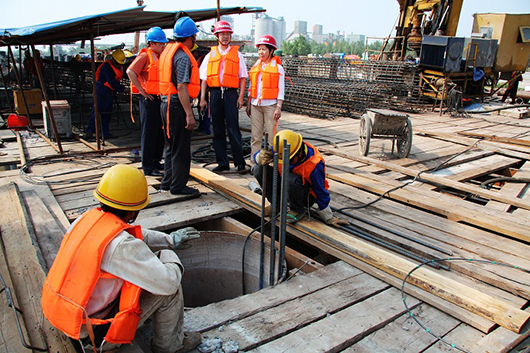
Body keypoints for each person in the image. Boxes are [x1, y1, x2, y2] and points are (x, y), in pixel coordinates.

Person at [41, 164, 202, 353]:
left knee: (145, 274)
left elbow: (126, 237)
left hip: (63, 314)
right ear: (134, 211)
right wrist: (169, 255)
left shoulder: (84, 220)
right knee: (168, 289)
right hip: (92, 331)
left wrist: (168, 239)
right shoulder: (122, 246)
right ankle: (171, 347)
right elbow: (168, 283)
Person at [253, 130, 349, 228]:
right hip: (286, 186)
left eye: (289, 160)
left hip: (304, 195)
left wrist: (328, 217)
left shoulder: (315, 164)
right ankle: (276, 205)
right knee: (258, 169)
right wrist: (259, 157)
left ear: (299, 153)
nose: (287, 162)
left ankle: (297, 210)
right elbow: (261, 156)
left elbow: (320, 190)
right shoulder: (284, 149)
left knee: (291, 179)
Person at [158, 17, 200, 195]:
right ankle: (178, 186)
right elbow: (182, 86)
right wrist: (189, 114)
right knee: (181, 148)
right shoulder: (183, 57)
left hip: (166, 104)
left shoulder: (168, 52)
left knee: (171, 146)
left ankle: (167, 182)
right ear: (190, 38)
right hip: (177, 106)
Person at [199, 20, 248, 173]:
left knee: (233, 128)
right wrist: (202, 98)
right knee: (217, 129)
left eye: (227, 34)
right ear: (217, 36)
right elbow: (204, 79)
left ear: (230, 36)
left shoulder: (237, 55)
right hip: (214, 93)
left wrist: (241, 97)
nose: (225, 36)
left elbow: (242, 78)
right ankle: (222, 162)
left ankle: (240, 162)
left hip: (230, 94)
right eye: (222, 34)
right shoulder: (209, 56)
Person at [127, 27, 168, 177]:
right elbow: (130, 72)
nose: (163, 46)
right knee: (149, 133)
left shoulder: (160, 57)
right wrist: (142, 90)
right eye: (160, 44)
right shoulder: (145, 56)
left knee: (158, 132)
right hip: (148, 100)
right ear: (152, 44)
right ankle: (148, 166)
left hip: (158, 98)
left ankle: (156, 161)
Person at [246, 35, 285, 168]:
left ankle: (274, 166)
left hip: (270, 106)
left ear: (271, 51)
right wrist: (249, 102)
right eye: (259, 49)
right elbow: (251, 86)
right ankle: (254, 164)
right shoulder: (256, 66)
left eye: (264, 49)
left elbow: (281, 89)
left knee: (272, 137)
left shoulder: (278, 68)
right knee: (255, 137)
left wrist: (278, 107)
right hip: (256, 105)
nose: (261, 52)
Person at [85, 49, 126, 139]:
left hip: (109, 92)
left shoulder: (121, 66)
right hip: (101, 90)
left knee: (107, 112)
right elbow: (112, 81)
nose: (119, 65)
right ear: (113, 60)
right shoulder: (106, 67)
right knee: (97, 111)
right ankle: (90, 131)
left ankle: (104, 132)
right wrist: (122, 89)